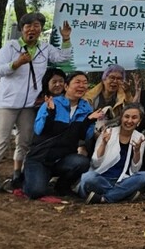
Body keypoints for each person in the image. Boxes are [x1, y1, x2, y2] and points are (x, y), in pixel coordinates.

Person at [0, 11, 72, 194]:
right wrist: (16, 64)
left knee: (25, 141)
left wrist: (66, 39)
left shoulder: (44, 48)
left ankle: (18, 175)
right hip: (6, 103)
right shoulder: (10, 47)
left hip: (29, 104)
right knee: (0, 139)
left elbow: (62, 58)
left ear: (41, 29)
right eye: (28, 26)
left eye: (36, 26)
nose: (32, 29)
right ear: (22, 29)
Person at [22, 71, 101, 201]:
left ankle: (62, 186)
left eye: (85, 83)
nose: (82, 86)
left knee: (82, 162)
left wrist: (90, 120)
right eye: (77, 82)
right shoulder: (53, 102)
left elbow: (85, 136)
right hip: (40, 157)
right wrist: (50, 112)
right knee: (36, 192)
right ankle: (28, 177)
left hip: (63, 159)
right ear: (66, 86)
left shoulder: (86, 108)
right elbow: (39, 129)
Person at [78, 104, 145, 204]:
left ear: (139, 121)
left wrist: (136, 152)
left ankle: (104, 198)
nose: (129, 121)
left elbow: (135, 169)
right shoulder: (108, 132)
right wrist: (103, 143)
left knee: (144, 176)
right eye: (126, 117)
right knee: (87, 177)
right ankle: (122, 194)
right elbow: (95, 163)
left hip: (122, 180)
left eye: (134, 118)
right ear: (121, 118)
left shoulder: (139, 137)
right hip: (101, 179)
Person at [84, 64, 133, 138]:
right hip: (91, 133)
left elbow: (132, 111)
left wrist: (127, 93)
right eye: (112, 77)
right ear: (104, 79)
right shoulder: (90, 96)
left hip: (115, 134)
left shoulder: (124, 96)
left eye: (119, 78)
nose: (115, 81)